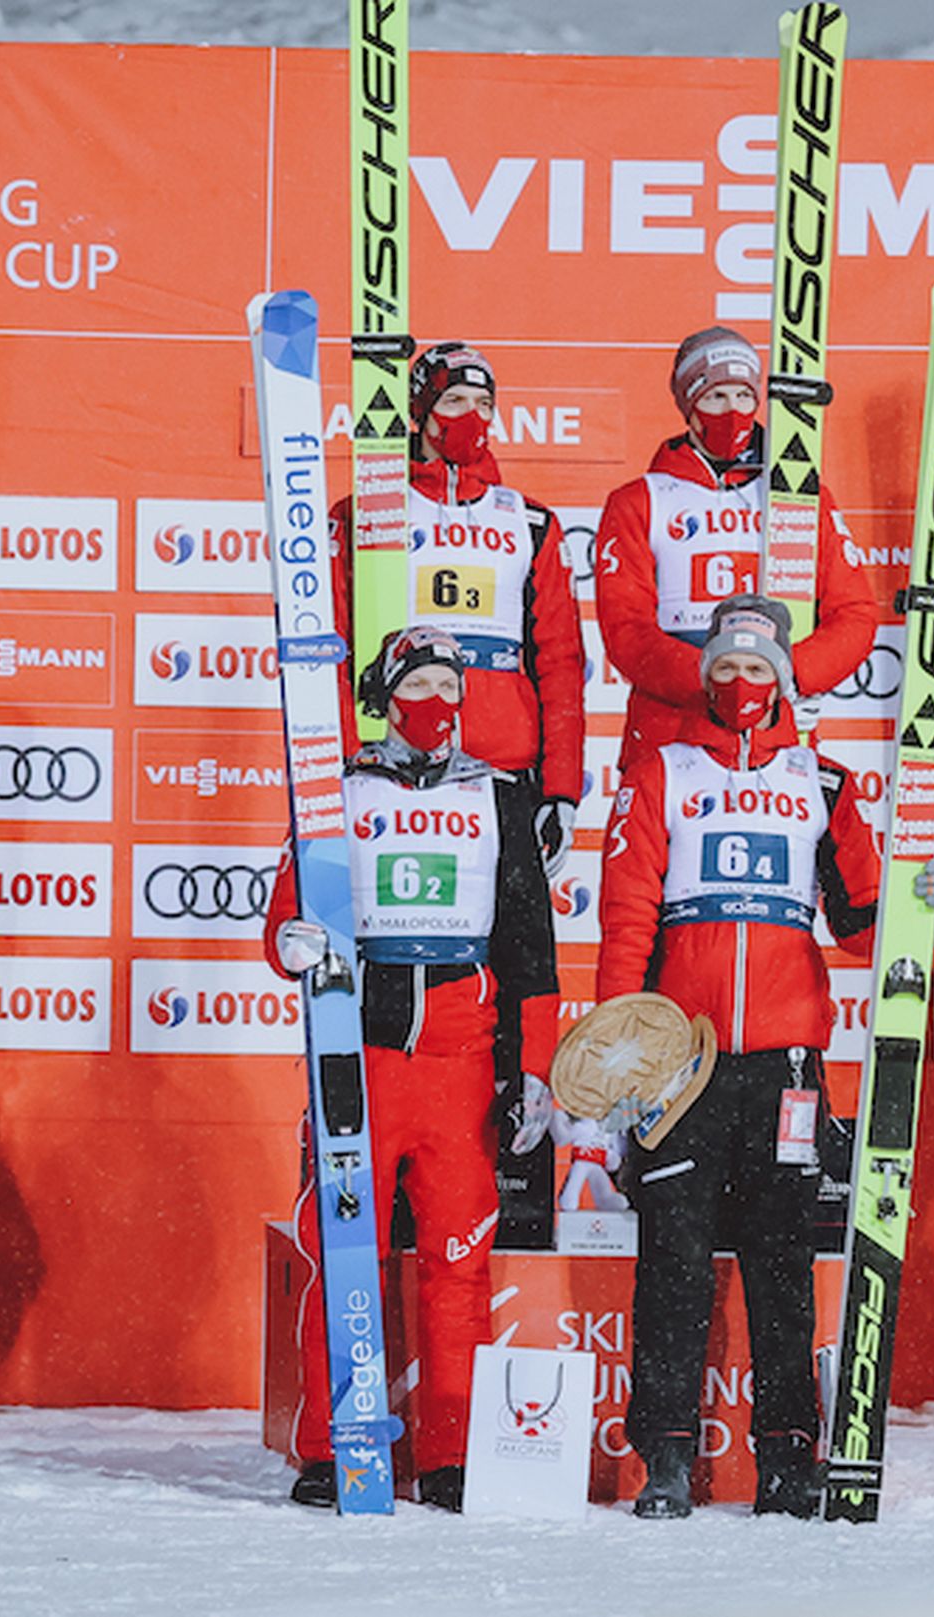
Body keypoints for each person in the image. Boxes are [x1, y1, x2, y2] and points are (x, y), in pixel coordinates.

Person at [596, 596, 916, 1519]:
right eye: (725, 669)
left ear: (784, 679)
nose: (741, 683)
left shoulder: (822, 782)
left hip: (784, 1063)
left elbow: (861, 923)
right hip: (680, 1066)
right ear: (706, 678)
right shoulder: (663, 771)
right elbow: (627, 919)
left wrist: (916, 890)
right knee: (673, 1259)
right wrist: (623, 1050)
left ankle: (787, 1455)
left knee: (781, 1258)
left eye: (757, 669)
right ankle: (661, 1454)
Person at [262, 627, 561, 1511]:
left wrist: (534, 1068)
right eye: (417, 684)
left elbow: (531, 948)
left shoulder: (499, 797)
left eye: (447, 684)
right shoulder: (338, 789)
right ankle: (331, 1445)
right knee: (339, 1244)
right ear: (386, 697)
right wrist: (289, 942)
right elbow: (289, 906)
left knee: (458, 1259)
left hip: (460, 1058)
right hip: (359, 1049)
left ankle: (451, 1453)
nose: (435, 701)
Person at [328, 341, 588, 1244]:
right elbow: (338, 641)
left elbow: (560, 658)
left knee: (511, 953)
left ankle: (503, 1126)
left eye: (483, 397)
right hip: (390, 770)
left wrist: (559, 786)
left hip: (501, 780)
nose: (468, 413)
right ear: (420, 406)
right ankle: (370, 1150)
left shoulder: (530, 523)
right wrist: (344, 764)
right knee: (387, 931)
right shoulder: (373, 512)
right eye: (452, 397)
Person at [591, 326, 879, 771]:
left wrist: (788, 676)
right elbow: (627, 631)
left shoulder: (801, 497)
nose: (733, 412)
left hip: (775, 724)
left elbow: (855, 613)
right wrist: (718, 682)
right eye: (715, 397)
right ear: (689, 407)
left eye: (744, 397)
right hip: (672, 729)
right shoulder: (638, 501)